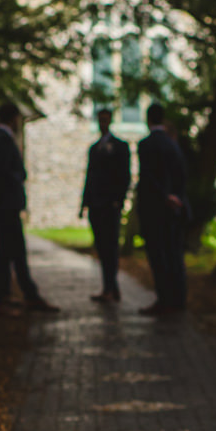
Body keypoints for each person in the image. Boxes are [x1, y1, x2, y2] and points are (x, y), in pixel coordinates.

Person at [0, 102, 59, 316]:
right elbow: (0, 172)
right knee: (6, 253)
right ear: (13, 119)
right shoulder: (3, 140)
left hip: (6, 205)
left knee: (16, 252)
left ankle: (28, 295)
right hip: (6, 206)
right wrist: (17, 178)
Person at [134, 103, 188, 315]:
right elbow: (181, 173)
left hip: (155, 209)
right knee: (174, 254)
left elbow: (149, 177)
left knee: (158, 255)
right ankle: (178, 299)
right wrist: (177, 197)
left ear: (148, 119)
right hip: (173, 208)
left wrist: (164, 196)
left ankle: (164, 299)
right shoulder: (172, 144)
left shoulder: (146, 144)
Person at [78, 107, 130, 303]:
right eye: (100, 120)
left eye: (106, 120)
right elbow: (89, 177)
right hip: (95, 204)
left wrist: (119, 200)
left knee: (110, 246)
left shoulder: (120, 146)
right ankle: (110, 287)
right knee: (101, 247)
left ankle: (110, 287)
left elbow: (125, 175)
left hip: (110, 205)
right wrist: (84, 203)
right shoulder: (94, 148)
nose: (103, 123)